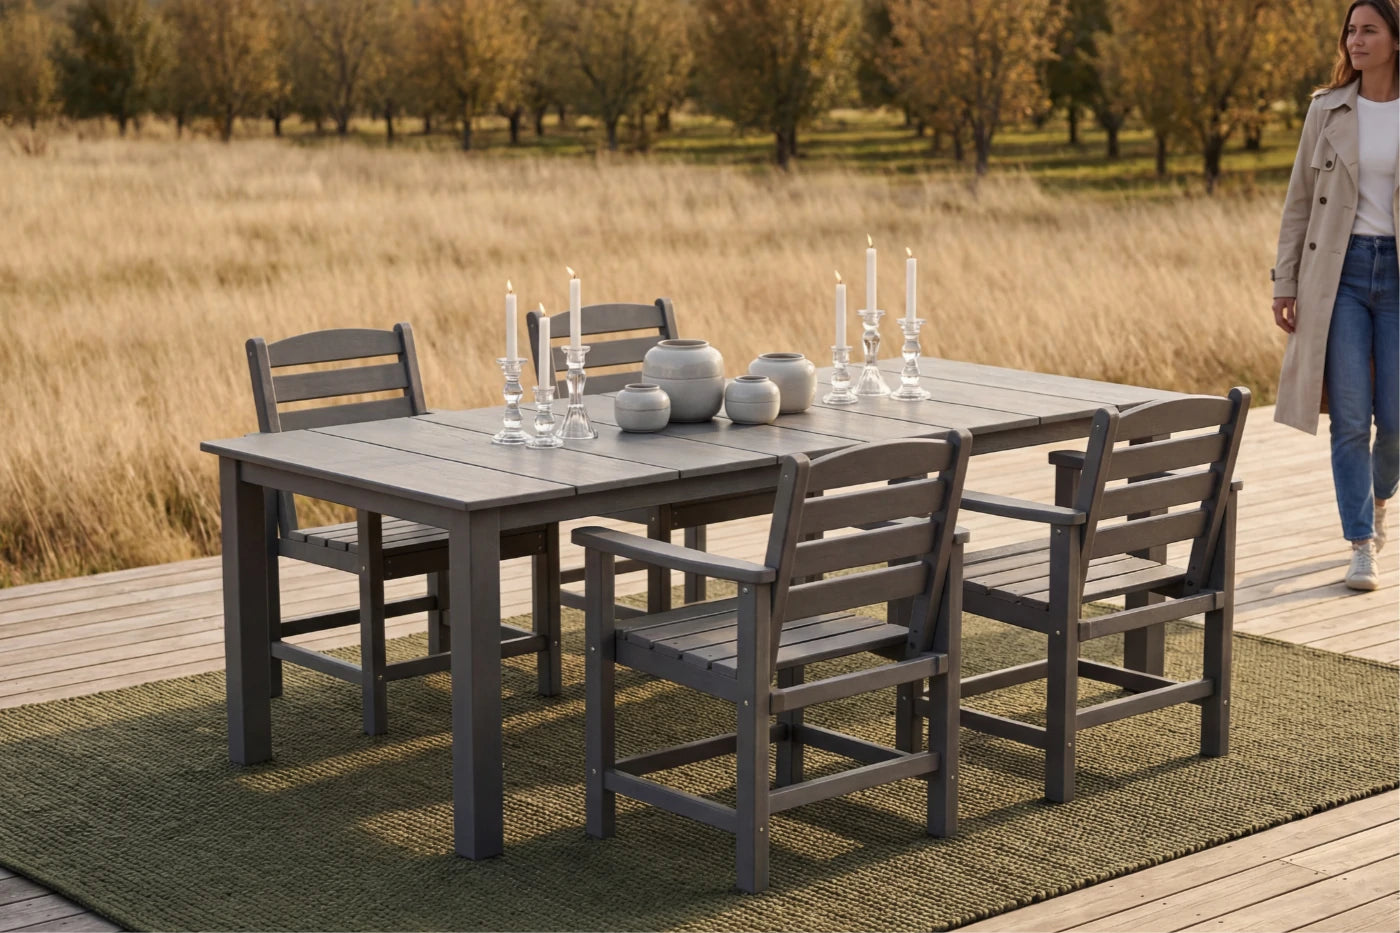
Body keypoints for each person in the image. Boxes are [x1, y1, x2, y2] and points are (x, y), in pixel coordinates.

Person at [1271, 0, 1399, 591]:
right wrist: (1285, 283)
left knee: (1394, 422)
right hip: (1339, 277)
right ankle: (1360, 543)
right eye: (1351, 30)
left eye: (1369, 30)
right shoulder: (1328, 109)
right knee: (1349, 420)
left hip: (1397, 277)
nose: (1356, 40)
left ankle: (1378, 500)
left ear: (1395, 40)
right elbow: (1299, 203)